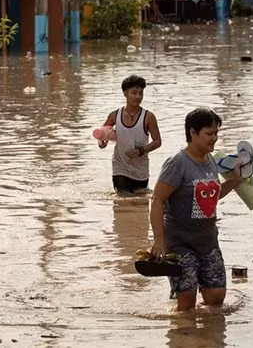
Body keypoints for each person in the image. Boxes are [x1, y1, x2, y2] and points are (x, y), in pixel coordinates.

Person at [149, 108, 242, 311]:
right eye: (209, 133)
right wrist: (158, 241)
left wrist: (235, 181)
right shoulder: (177, 163)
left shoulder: (211, 161)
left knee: (216, 299)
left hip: (208, 242)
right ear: (193, 133)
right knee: (186, 305)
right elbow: (157, 200)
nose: (214, 138)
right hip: (181, 245)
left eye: (216, 133)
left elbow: (211, 196)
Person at [98, 75, 162, 194]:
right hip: (120, 167)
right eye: (134, 93)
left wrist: (141, 150)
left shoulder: (149, 117)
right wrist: (102, 142)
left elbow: (157, 141)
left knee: (140, 201)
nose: (138, 97)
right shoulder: (114, 115)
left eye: (141, 93)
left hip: (141, 170)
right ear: (125, 93)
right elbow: (102, 136)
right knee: (123, 198)